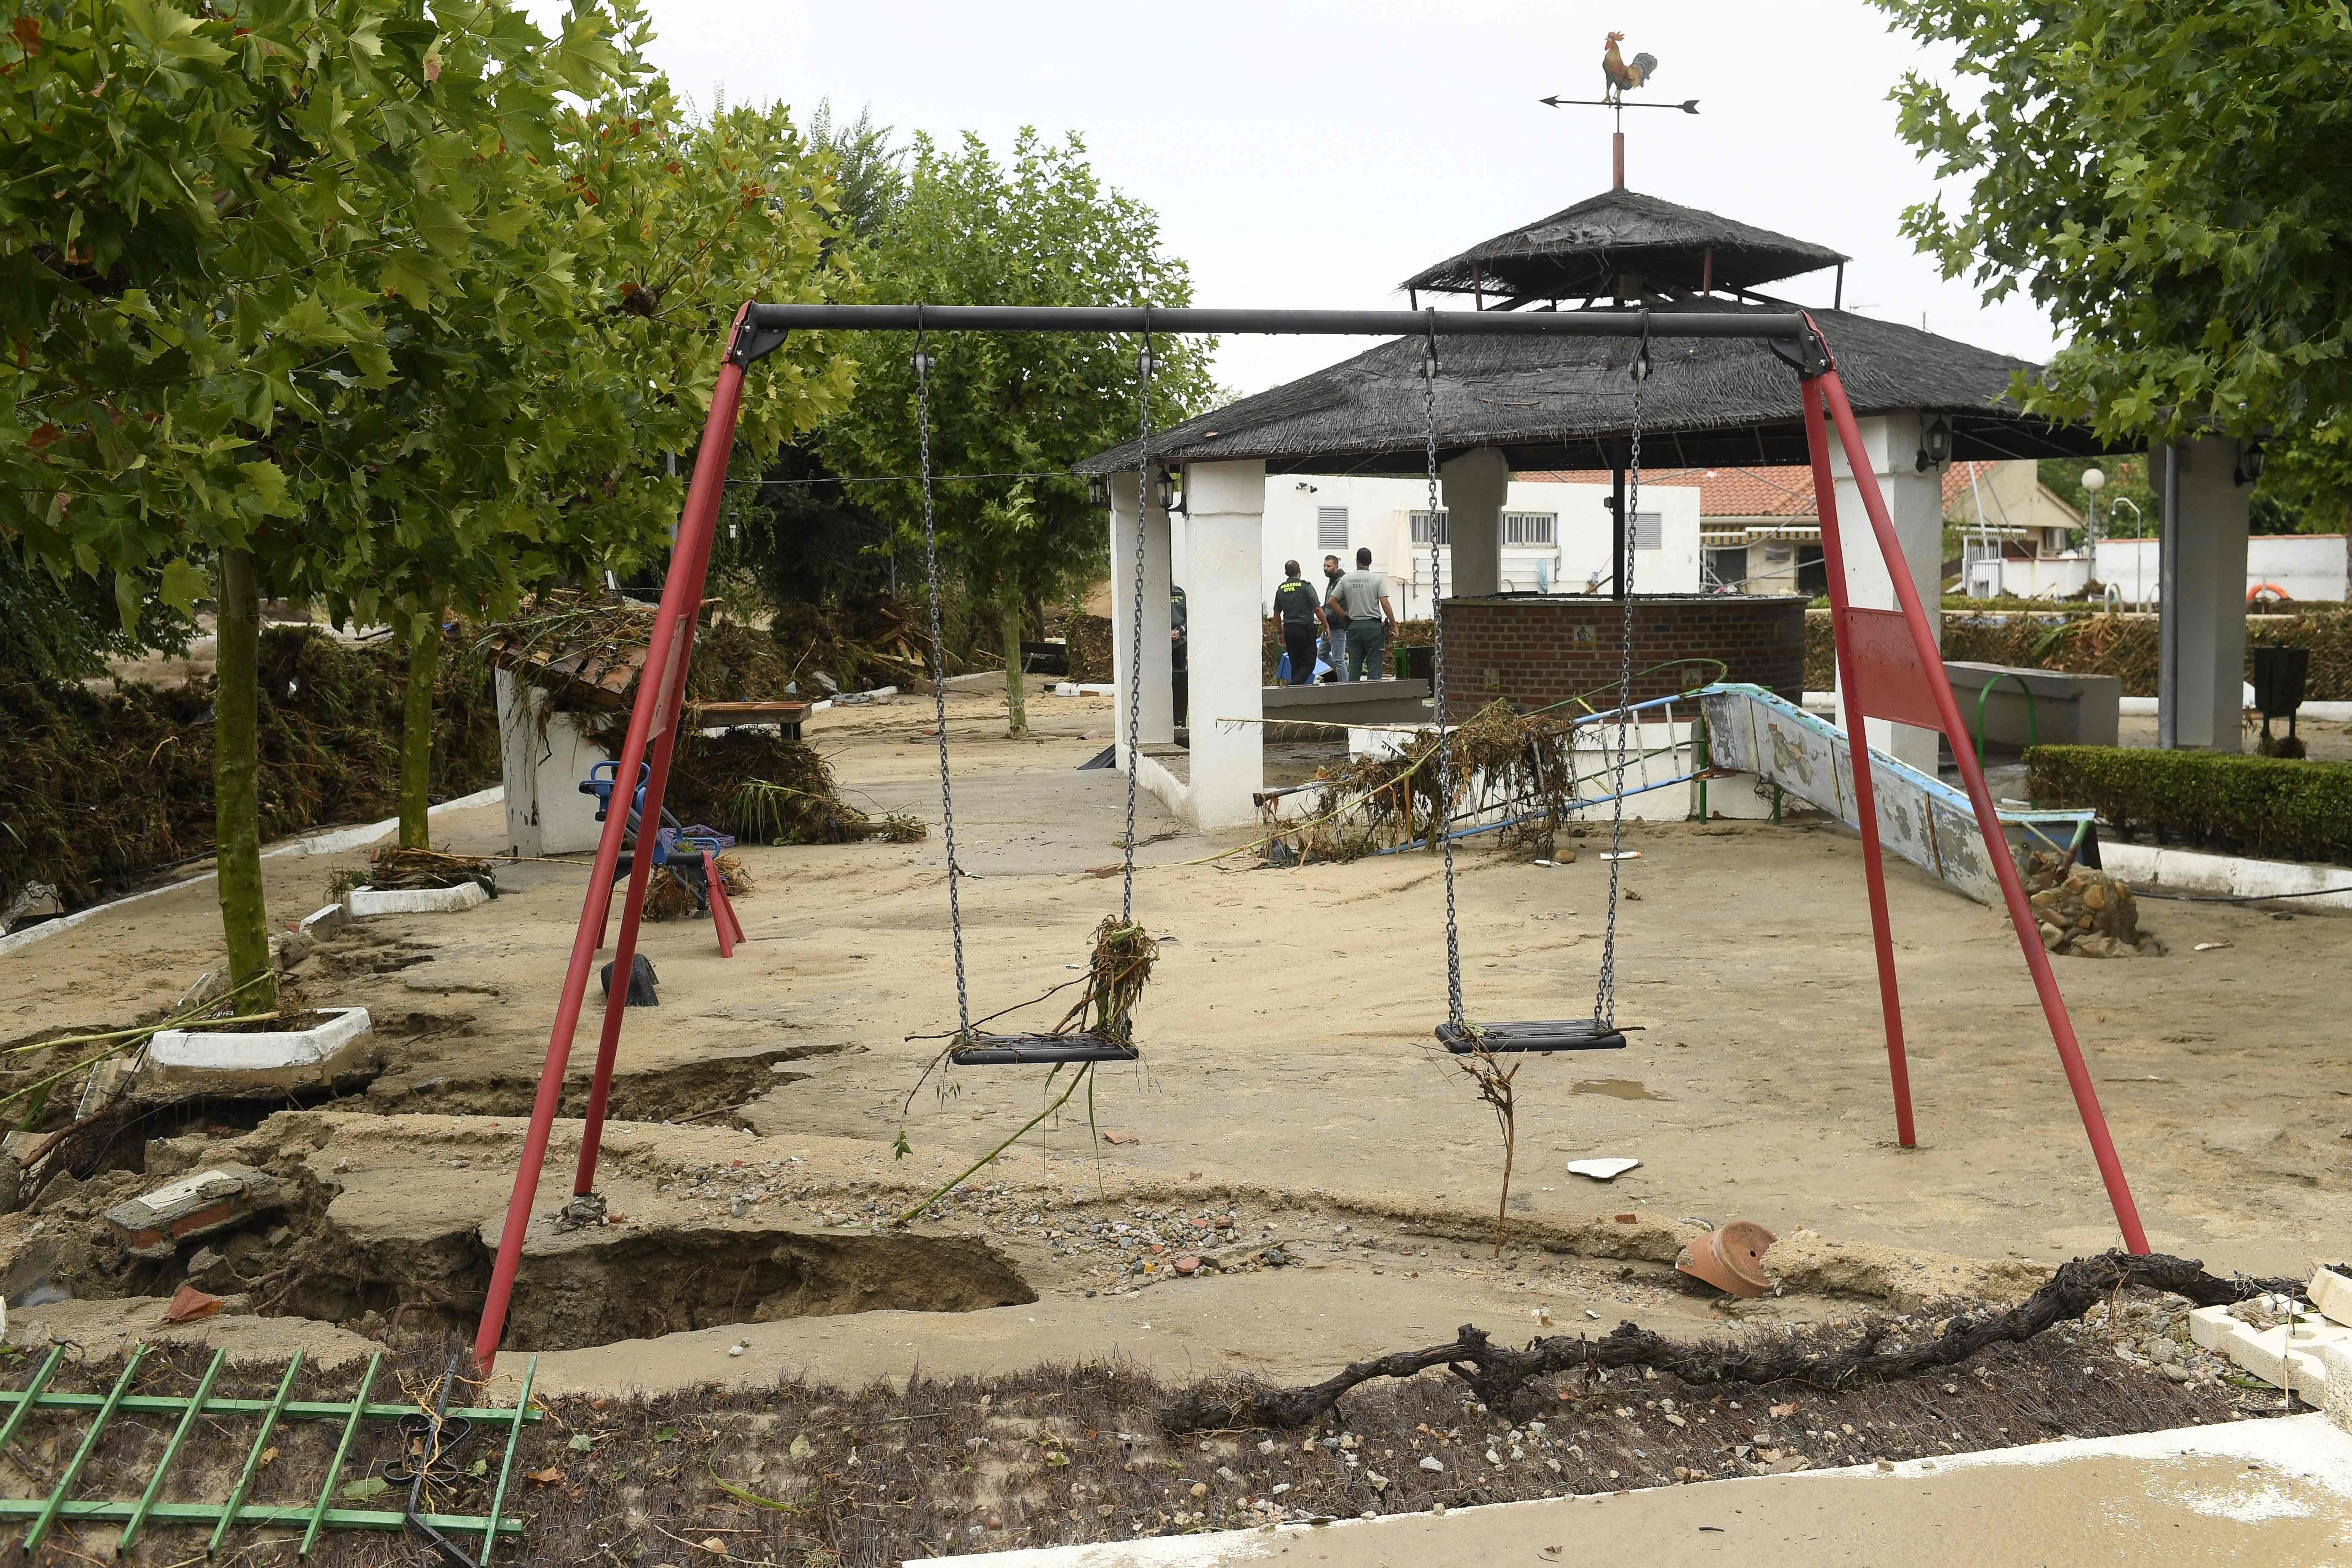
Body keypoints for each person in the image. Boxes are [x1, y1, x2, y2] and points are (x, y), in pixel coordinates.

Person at [1330, 547, 1396, 682]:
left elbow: (1332, 602)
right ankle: (1373, 699)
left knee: (1355, 667)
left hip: (1354, 627)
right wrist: (1394, 625)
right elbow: (1385, 604)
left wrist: (1345, 617)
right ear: (1370, 562)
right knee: (1375, 666)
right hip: (1373, 628)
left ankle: (1353, 699)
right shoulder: (1377, 579)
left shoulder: (1346, 579)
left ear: (1357, 562)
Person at [1271, 561, 1326, 686]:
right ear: (1299, 571)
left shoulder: (1281, 590)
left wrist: (1280, 633)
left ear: (1286, 573)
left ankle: (1295, 697)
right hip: (1305, 631)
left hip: (1290, 632)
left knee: (1296, 666)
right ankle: (1292, 688)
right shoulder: (1305, 586)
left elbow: (1276, 614)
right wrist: (1326, 626)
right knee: (1309, 664)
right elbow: (1317, 609)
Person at [1319, 553, 1349, 683]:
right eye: (1324, 566)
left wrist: (1335, 619)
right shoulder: (1333, 581)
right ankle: (1342, 674)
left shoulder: (1342, 581)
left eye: (1329, 566)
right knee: (1322, 654)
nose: (1326, 568)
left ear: (1336, 567)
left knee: (1338, 659)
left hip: (1337, 627)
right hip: (1329, 626)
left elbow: (1343, 604)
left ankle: (1344, 686)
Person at [1169, 583, 1188, 728]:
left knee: (1180, 679)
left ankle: (1179, 718)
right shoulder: (1154, 594)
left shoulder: (1179, 594)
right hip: (1160, 645)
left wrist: (1180, 631)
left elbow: (1189, 617)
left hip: (1179, 644)